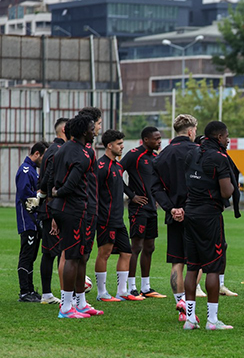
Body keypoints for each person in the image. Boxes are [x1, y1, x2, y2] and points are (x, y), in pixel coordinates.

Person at [182, 121, 237, 330]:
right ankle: (212, 320)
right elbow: (225, 192)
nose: (228, 139)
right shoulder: (219, 158)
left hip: (190, 213)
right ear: (218, 137)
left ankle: (189, 319)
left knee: (192, 267)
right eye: (226, 136)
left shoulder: (192, 154)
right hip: (209, 216)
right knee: (213, 267)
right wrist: (233, 185)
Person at [48, 114, 103, 318]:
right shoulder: (81, 154)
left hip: (67, 209)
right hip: (74, 209)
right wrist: (57, 192)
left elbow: (51, 177)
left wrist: (52, 194)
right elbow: (69, 185)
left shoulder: (64, 150)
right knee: (72, 257)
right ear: (82, 132)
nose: (94, 131)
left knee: (80, 256)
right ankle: (65, 307)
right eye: (91, 128)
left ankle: (79, 303)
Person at [150, 115, 202, 320]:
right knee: (198, 263)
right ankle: (187, 304)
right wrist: (186, 208)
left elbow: (155, 187)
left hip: (174, 215)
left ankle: (179, 301)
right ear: (190, 131)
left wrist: (171, 208)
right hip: (196, 213)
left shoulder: (162, 155)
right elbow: (202, 183)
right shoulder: (198, 151)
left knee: (177, 262)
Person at [121, 126, 165, 298]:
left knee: (150, 247)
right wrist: (131, 195)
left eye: (160, 138)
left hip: (152, 208)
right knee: (136, 246)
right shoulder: (134, 155)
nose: (159, 141)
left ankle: (146, 287)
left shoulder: (155, 157)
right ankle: (131, 286)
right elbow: (117, 172)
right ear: (146, 140)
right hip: (138, 208)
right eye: (156, 138)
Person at [94, 129, 136, 302]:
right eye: (119, 144)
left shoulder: (118, 167)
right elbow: (94, 192)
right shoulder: (101, 166)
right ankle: (101, 292)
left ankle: (122, 291)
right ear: (109, 146)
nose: (122, 146)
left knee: (126, 252)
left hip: (119, 219)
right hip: (105, 218)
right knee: (104, 253)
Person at [35, 117, 69, 304]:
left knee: (54, 251)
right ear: (64, 129)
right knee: (53, 251)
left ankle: (55, 293)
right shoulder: (58, 151)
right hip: (52, 207)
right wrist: (52, 202)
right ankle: (51, 294)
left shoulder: (52, 150)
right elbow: (48, 180)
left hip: (50, 206)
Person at [16, 141, 47, 302]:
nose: (45, 159)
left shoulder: (33, 171)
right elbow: (25, 196)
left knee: (32, 256)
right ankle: (24, 292)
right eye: (44, 156)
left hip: (34, 221)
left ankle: (29, 290)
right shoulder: (26, 170)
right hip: (27, 220)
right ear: (37, 154)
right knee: (26, 256)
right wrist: (39, 194)